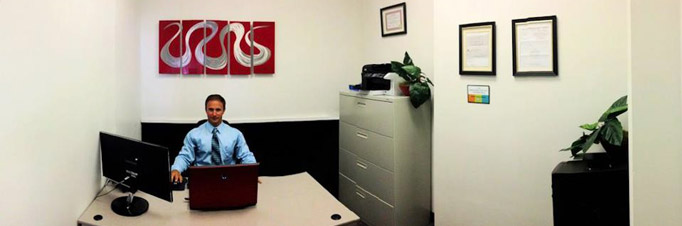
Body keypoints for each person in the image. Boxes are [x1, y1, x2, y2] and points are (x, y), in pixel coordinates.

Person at [170, 94, 256, 183]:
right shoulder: (194, 134)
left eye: (218, 110)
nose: (214, 114)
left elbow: (245, 155)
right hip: (202, 180)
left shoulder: (235, 134)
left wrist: (252, 172)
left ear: (223, 111)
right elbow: (185, 156)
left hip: (228, 179)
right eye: (211, 110)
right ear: (206, 110)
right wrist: (176, 169)